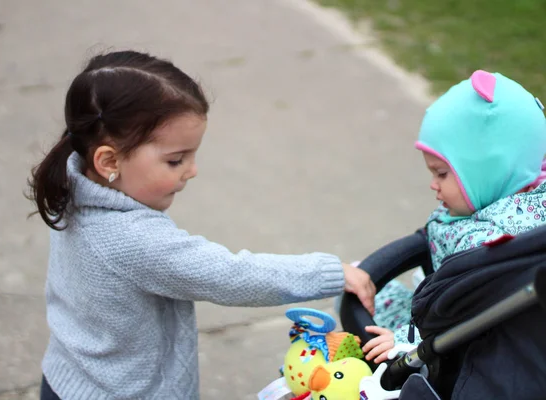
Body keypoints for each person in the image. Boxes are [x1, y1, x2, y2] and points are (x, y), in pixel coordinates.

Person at [27, 50, 376, 399]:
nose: (192, 170)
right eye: (176, 160)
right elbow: (231, 275)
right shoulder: (134, 239)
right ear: (108, 160)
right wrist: (331, 273)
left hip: (66, 378)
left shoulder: (72, 184)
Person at [362, 69, 546, 364]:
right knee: (359, 279)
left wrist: (404, 342)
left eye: (441, 173)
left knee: (361, 307)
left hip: (446, 339)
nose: (433, 184)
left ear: (488, 169)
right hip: (440, 311)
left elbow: (468, 313)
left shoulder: (490, 244)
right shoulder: (513, 197)